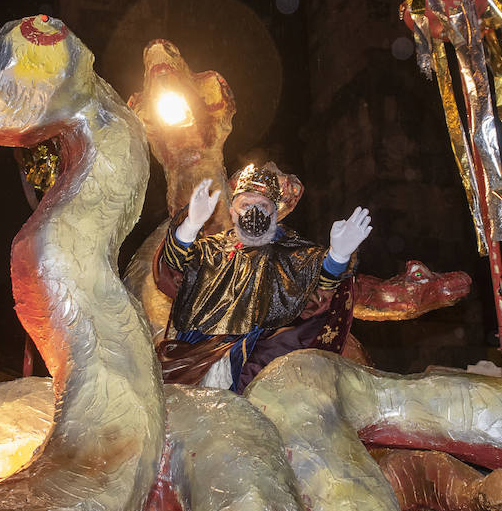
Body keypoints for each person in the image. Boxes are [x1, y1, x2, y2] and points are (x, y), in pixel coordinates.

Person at [154, 161, 371, 391]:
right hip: (197, 350)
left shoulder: (293, 253)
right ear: (232, 212)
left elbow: (320, 290)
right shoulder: (212, 249)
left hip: (257, 349)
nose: (253, 212)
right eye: (246, 204)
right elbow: (174, 268)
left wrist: (338, 256)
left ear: (275, 214)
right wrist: (191, 225)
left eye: (263, 206)